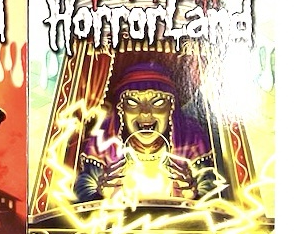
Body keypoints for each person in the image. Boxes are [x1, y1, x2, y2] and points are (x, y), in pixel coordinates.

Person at [74, 61, 219, 205]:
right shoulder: (105, 139)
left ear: (171, 108)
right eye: (132, 103)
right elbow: (82, 192)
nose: (145, 112)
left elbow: (211, 194)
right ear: (121, 110)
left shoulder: (190, 138)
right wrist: (100, 194)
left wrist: (193, 196)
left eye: (157, 102)